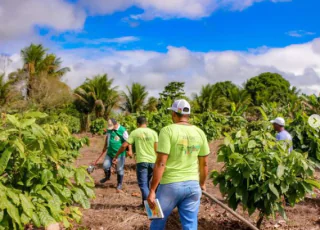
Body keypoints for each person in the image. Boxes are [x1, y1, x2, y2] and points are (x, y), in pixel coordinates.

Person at [147, 99, 210, 230]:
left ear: (174, 114)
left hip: (170, 186)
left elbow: (161, 162)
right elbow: (204, 164)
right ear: (188, 115)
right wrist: (202, 184)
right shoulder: (200, 132)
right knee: (190, 225)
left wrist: (152, 190)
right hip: (193, 186)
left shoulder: (167, 130)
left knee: (157, 221)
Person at [113, 116, 158, 206]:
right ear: (146, 123)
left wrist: (116, 156)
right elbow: (157, 149)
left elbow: (124, 145)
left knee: (143, 184)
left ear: (137, 124)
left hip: (142, 162)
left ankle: (151, 206)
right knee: (148, 184)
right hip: (153, 162)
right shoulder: (153, 133)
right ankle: (144, 204)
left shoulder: (135, 132)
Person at [99, 118, 132, 192]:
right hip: (110, 153)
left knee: (119, 169)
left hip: (120, 154)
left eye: (112, 126)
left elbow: (129, 141)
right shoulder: (110, 130)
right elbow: (107, 137)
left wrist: (130, 150)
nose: (111, 128)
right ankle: (107, 177)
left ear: (116, 124)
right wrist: (104, 147)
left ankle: (119, 184)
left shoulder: (123, 130)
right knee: (105, 166)